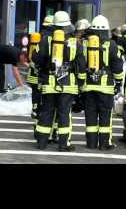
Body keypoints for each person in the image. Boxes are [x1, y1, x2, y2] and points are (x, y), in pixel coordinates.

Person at [33, 11, 86, 151]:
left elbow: (36, 58)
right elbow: (82, 66)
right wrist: (80, 84)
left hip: (49, 83)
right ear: (68, 25)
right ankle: (64, 144)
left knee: (46, 112)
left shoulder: (46, 40)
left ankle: (42, 143)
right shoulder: (76, 43)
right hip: (68, 84)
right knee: (64, 114)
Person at [78, 15, 123, 150]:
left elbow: (80, 63)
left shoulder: (85, 43)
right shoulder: (112, 45)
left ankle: (91, 143)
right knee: (105, 115)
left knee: (90, 115)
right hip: (105, 88)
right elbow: (118, 66)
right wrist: (119, 82)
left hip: (88, 87)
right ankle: (104, 144)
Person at [27, 15, 55, 134]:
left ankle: (35, 114)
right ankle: (51, 131)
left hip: (33, 73)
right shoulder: (51, 38)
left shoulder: (38, 36)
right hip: (45, 75)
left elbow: (33, 56)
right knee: (48, 105)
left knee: (37, 100)